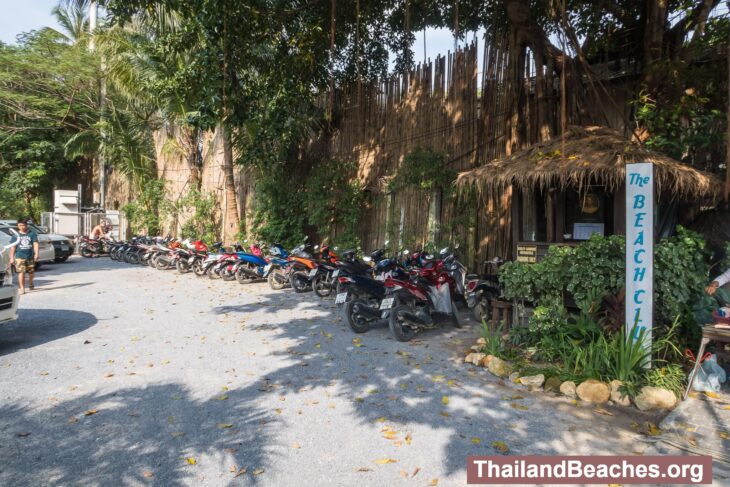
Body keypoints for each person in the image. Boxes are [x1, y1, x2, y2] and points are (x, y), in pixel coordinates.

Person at [9, 219, 39, 295]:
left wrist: (36, 254)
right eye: (19, 225)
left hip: (30, 256)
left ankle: (31, 283)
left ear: (26, 225)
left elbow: (35, 244)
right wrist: (11, 257)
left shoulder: (32, 233)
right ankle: (22, 288)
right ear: (17, 226)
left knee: (31, 272)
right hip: (19, 256)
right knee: (21, 272)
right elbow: (13, 247)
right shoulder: (16, 235)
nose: (21, 227)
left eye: (23, 225)